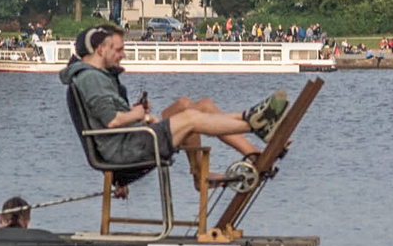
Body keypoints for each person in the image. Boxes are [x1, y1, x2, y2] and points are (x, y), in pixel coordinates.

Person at [59, 24, 287, 185]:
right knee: (190, 117)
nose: (123, 55)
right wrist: (138, 114)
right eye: (118, 49)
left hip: (131, 142)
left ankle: (255, 149)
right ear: (100, 49)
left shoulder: (98, 76)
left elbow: (108, 118)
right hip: (126, 152)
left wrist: (142, 116)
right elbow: (112, 120)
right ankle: (253, 123)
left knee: (199, 105)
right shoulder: (90, 78)